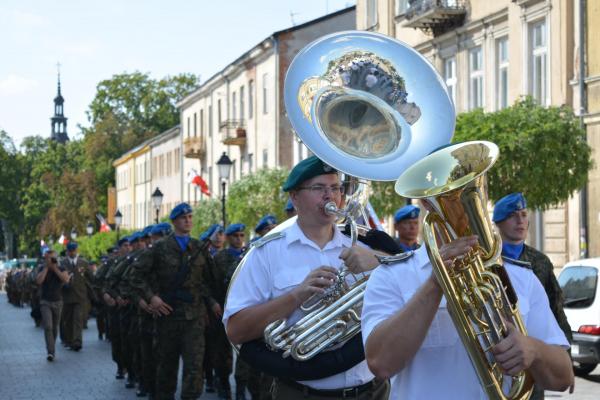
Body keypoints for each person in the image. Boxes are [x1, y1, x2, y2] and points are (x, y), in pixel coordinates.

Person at [224, 156, 389, 399]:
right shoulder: (266, 253)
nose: (329, 196)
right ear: (294, 197)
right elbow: (236, 330)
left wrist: (378, 260)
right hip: (302, 392)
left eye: (335, 188)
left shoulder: (362, 246)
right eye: (318, 188)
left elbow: (410, 284)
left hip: (372, 390)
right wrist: (295, 296)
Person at [361, 215, 574, 398]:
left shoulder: (522, 276)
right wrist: (436, 283)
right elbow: (381, 363)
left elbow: (563, 378)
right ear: (426, 199)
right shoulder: (391, 275)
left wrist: (533, 349)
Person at [129, 202, 217, 400]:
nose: (188, 221)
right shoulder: (160, 248)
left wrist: (211, 303)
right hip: (167, 318)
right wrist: (152, 298)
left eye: (190, 217)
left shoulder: (198, 247)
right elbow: (135, 276)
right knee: (166, 369)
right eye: (184, 218)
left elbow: (208, 281)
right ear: (175, 221)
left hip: (194, 318)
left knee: (195, 369)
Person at [493, 192, 573, 400]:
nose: (520, 221)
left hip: (535, 361)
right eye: (513, 216)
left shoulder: (540, 262)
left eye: (524, 214)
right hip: (498, 359)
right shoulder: (488, 260)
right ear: (499, 223)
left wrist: (565, 361)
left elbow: (556, 311)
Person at [35, 249, 70, 361]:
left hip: (58, 301)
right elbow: (39, 281)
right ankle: (51, 351)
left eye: (52, 258)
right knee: (48, 327)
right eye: (48, 258)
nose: (50, 260)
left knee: (55, 327)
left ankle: (52, 346)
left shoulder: (61, 268)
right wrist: (46, 267)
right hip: (45, 301)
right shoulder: (42, 268)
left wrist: (54, 268)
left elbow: (66, 280)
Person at [60, 242, 92, 351]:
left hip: (80, 296)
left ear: (76, 250)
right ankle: (69, 340)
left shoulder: (83, 263)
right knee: (68, 321)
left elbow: (90, 278)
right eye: (70, 250)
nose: (72, 252)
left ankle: (77, 342)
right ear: (67, 251)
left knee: (78, 320)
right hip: (67, 297)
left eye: (74, 250)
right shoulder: (62, 264)